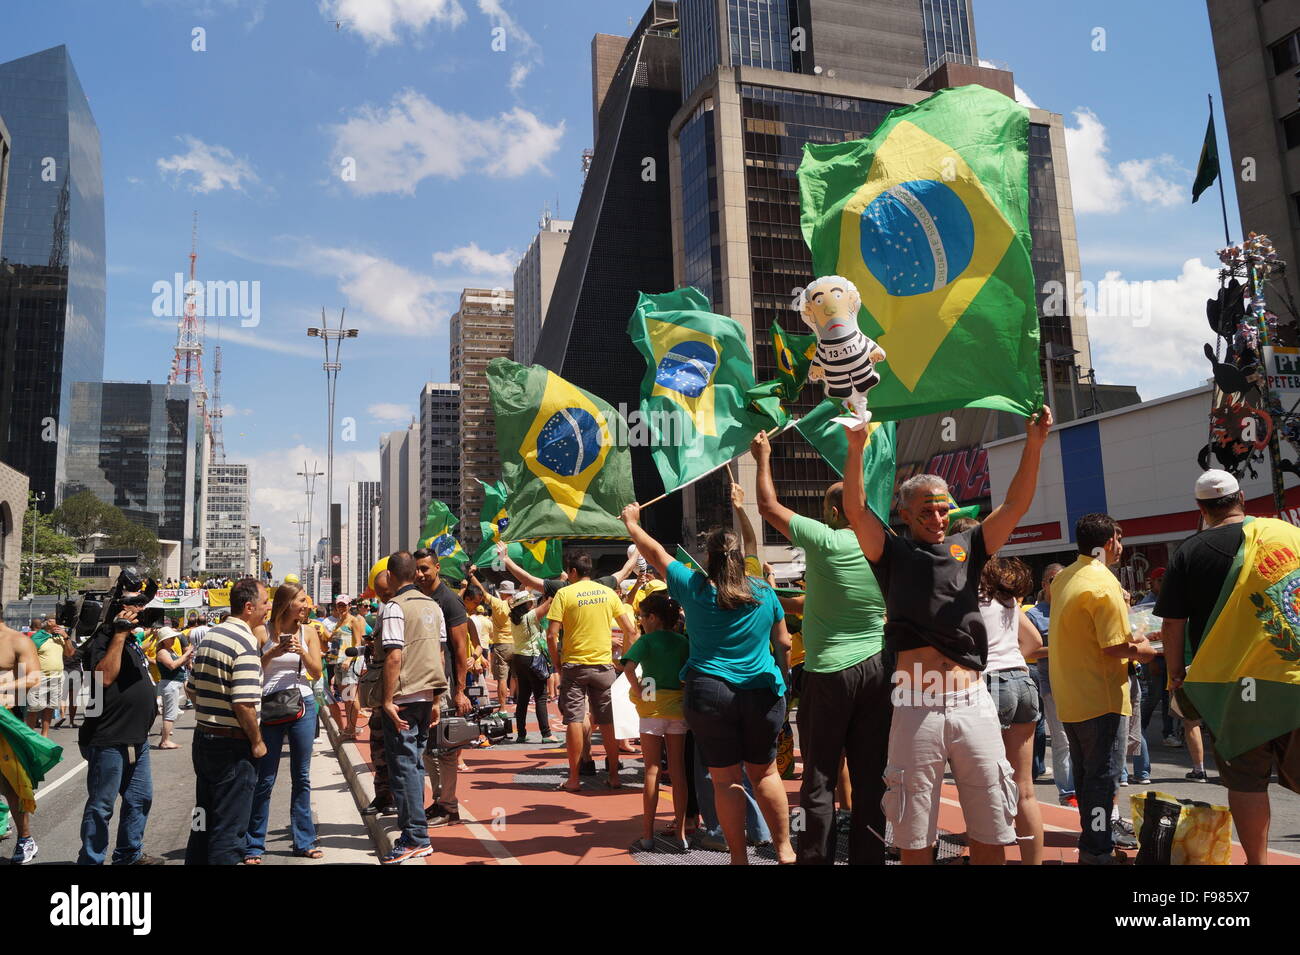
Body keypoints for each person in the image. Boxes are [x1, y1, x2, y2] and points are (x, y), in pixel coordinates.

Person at [842, 407, 1053, 865]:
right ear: (904, 514)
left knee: (993, 824)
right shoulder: (891, 552)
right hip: (915, 702)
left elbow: (1014, 505)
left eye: (942, 509)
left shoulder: (968, 545)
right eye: (926, 512)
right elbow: (856, 509)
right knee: (914, 830)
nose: (937, 518)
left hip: (972, 698)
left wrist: (1034, 444)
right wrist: (856, 448)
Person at [622, 504, 795, 866]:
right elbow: (785, 642)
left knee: (725, 780)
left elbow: (655, 553)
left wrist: (631, 524)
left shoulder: (694, 587)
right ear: (739, 559)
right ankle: (784, 850)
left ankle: (737, 858)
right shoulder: (764, 591)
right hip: (763, 692)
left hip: (710, 693)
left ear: (710, 558)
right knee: (765, 773)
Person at [751, 430, 891, 865]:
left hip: (828, 672)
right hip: (878, 670)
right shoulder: (885, 546)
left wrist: (763, 457)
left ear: (834, 511)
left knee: (820, 779)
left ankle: (815, 858)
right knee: (871, 780)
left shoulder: (826, 539)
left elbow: (768, 508)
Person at [1158, 470, 1300, 864]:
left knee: (1246, 779)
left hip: (1232, 688)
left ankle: (1257, 862)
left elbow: (1172, 624)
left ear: (1200, 508)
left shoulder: (1189, 552)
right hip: (1293, 676)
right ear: (1242, 498)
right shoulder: (1289, 535)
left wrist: (1176, 677)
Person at [1051, 514, 1157, 864]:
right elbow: (1114, 646)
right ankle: (1096, 851)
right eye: (1120, 539)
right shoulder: (1103, 582)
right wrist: (1145, 650)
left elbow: (1092, 634)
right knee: (1102, 782)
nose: (1121, 547)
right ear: (1109, 541)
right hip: (1102, 697)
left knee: (1087, 780)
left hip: (1071, 696)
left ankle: (1093, 843)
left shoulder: (1064, 578)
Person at [185, 578, 270, 866]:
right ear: (249, 607)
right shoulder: (244, 643)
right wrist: (257, 741)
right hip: (231, 747)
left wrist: (211, 714)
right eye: (265, 603)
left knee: (203, 817)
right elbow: (243, 704)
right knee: (230, 828)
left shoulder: (211, 635)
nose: (268, 609)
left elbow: (192, 688)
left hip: (204, 740)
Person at [376, 551, 449, 863]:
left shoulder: (395, 607)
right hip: (425, 696)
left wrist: (387, 700)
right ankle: (413, 830)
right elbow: (439, 655)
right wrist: (436, 699)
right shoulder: (433, 605)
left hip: (403, 699)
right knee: (415, 766)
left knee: (405, 768)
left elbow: (394, 655)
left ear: (392, 576)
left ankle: (415, 837)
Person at [77, 603, 163, 866]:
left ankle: (129, 854)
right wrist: (119, 634)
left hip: (138, 738)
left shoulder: (131, 641)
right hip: (108, 738)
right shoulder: (102, 640)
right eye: (132, 605)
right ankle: (91, 861)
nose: (138, 610)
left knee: (140, 799)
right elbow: (102, 679)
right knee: (102, 806)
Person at [543, 552, 636, 792]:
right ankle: (614, 775)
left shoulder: (564, 593)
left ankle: (574, 778)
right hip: (604, 665)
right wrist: (625, 662)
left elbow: (551, 635)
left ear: (572, 572)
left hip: (574, 666)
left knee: (574, 719)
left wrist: (556, 664)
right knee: (607, 720)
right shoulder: (607, 593)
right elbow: (631, 630)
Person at [245, 581, 323, 862]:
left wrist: (302, 652)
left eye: (306, 601)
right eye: (301, 600)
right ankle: (254, 844)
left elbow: (316, 672)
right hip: (269, 708)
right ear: (287, 603)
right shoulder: (261, 631)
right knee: (265, 779)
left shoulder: (309, 632)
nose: (306, 605)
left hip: (302, 705)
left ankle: (304, 840)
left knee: (301, 777)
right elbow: (251, 670)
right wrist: (272, 653)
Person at [978, 556, 1046, 864]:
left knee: (987, 787)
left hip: (990, 684)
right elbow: (1032, 640)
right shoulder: (1005, 596)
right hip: (1022, 679)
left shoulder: (967, 593)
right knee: (1024, 788)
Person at [620, 590, 690, 850]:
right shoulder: (683, 641)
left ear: (654, 618)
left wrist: (639, 692)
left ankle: (648, 834)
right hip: (678, 708)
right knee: (678, 771)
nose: (641, 621)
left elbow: (628, 669)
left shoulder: (647, 641)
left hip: (651, 708)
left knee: (652, 771)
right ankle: (681, 833)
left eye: (643, 616)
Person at [412, 549, 472, 827]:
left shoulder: (450, 601)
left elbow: (460, 649)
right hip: (420, 684)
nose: (420, 574)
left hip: (444, 685)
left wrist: (459, 690)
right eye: (417, 569)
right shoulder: (416, 596)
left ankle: (450, 807)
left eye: (425, 569)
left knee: (446, 750)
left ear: (437, 567)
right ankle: (439, 802)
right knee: (427, 749)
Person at [1024, 563, 1075, 807]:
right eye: (1054, 579)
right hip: (1053, 685)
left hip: (1080, 682)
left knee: (1082, 738)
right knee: (1062, 739)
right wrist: (1058, 649)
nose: (1060, 583)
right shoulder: (1033, 615)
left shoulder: (1074, 607)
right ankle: (1068, 793)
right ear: (1044, 585)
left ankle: (1081, 788)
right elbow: (1028, 649)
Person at [1, 621, 47, 864]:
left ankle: (25, 838)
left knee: (11, 785)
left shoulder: (17, 640)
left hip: (6, 722)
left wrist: (3, 686)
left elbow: (34, 677)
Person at [507, 589, 556, 744]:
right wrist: (554, 591)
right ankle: (546, 734)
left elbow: (542, 606)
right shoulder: (529, 616)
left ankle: (521, 734)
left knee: (523, 698)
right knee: (540, 696)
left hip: (519, 659)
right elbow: (547, 605)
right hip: (532, 657)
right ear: (526, 604)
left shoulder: (515, 619)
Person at [466, 567, 516, 708]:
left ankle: (502, 708)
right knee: (516, 677)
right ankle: (519, 704)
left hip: (502, 644)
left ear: (502, 592)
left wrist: (472, 576)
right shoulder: (518, 604)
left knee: (502, 679)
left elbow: (482, 591)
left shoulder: (499, 603)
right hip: (517, 644)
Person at [27, 618, 74, 737]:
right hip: (40, 677)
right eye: (52, 620)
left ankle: (45, 734)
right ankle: (30, 735)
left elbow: (70, 653)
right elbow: (27, 655)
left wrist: (66, 637)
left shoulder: (60, 637)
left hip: (56, 677)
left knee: (50, 707)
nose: (56, 623)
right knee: (33, 709)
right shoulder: (37, 637)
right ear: (47, 623)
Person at [151, 626, 193, 750]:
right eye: (171, 637)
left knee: (170, 713)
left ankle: (165, 738)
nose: (174, 639)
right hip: (170, 685)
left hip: (172, 684)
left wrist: (186, 658)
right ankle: (165, 741)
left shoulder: (169, 651)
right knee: (170, 714)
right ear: (164, 640)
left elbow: (177, 664)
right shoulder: (162, 652)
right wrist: (186, 654)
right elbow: (172, 665)